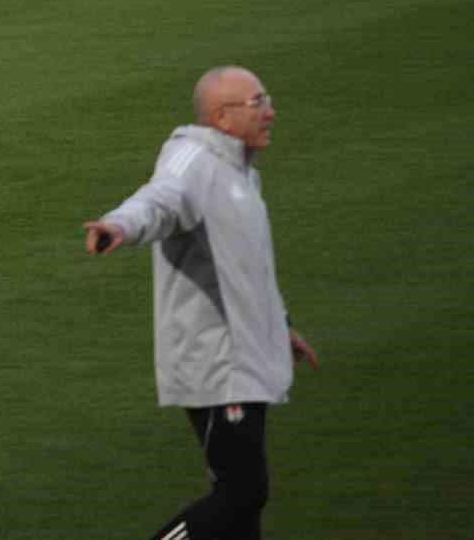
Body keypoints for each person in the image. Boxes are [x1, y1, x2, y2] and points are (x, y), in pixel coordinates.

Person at [82, 66, 319, 540]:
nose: (270, 112)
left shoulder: (239, 174)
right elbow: (158, 200)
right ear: (222, 117)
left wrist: (281, 324)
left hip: (245, 356)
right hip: (216, 362)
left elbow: (246, 267)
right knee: (242, 492)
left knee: (242, 517)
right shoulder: (192, 160)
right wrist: (119, 225)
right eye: (257, 103)